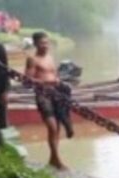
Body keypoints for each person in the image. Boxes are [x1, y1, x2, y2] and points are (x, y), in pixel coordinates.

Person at [24, 31, 71, 169]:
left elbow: (54, 75)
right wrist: (44, 83)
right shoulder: (32, 59)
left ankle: (53, 158)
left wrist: (57, 81)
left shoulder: (50, 57)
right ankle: (56, 159)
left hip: (56, 94)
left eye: (46, 43)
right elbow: (27, 81)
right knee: (52, 127)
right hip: (43, 96)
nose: (45, 46)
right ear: (35, 44)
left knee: (57, 128)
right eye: (42, 43)